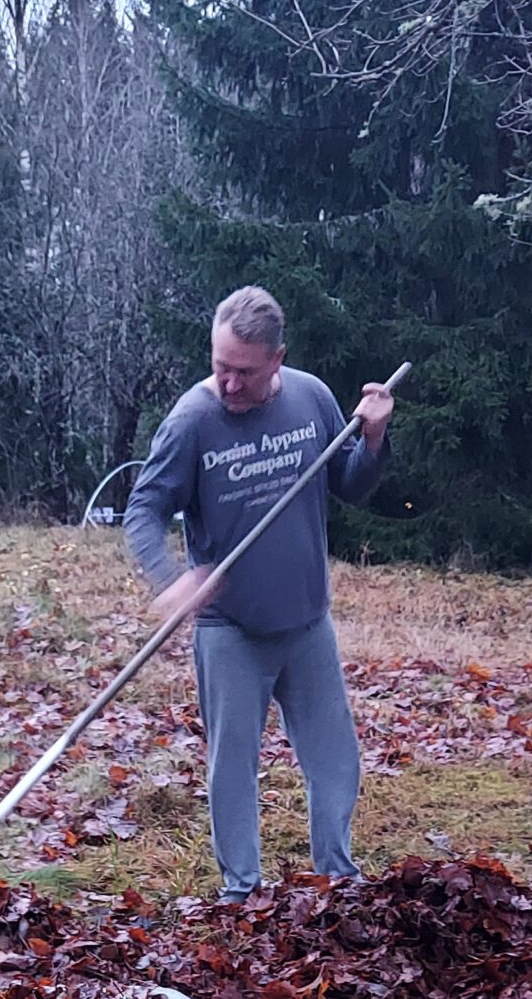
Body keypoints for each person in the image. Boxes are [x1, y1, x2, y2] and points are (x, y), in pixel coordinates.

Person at [122, 286, 394, 899]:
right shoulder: (193, 420)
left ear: (277, 360)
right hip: (231, 629)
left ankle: (339, 881)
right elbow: (143, 510)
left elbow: (349, 484)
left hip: (306, 622)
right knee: (232, 772)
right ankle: (241, 894)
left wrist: (373, 440)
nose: (229, 384)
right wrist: (171, 580)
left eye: (243, 371)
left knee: (335, 762)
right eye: (219, 366)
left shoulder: (311, 397)